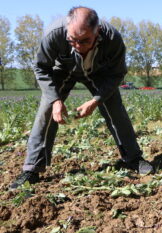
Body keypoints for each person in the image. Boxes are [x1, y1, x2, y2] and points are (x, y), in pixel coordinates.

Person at [10, 7, 154, 190]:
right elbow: (40, 68)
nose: (78, 46)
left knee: (115, 110)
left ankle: (133, 158)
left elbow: (118, 74)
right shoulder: (54, 34)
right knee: (46, 112)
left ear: (97, 31)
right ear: (67, 30)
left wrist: (95, 100)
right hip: (62, 71)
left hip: (99, 73)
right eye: (72, 41)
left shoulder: (112, 39)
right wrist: (55, 101)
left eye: (85, 41)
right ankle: (32, 169)